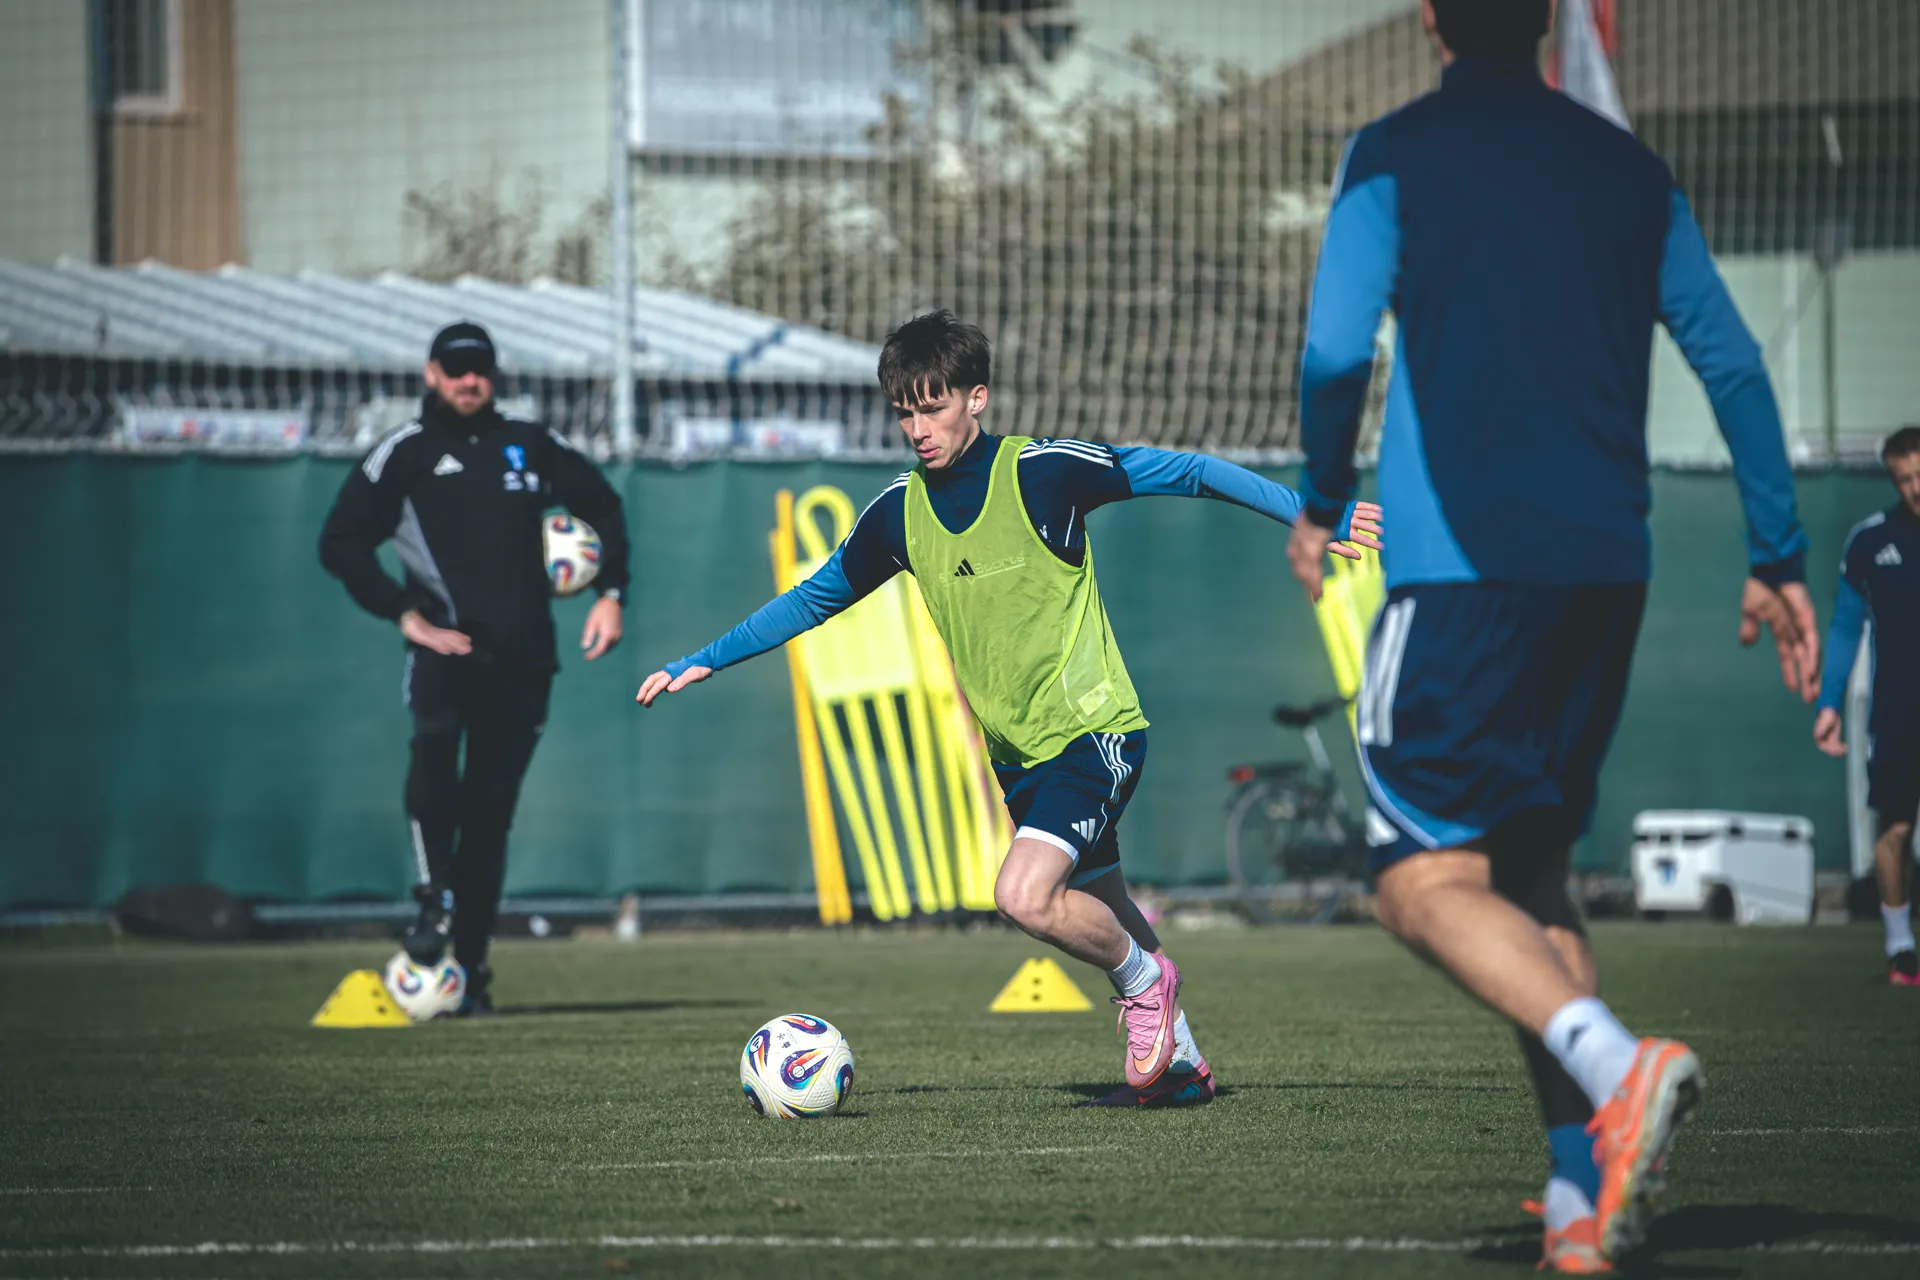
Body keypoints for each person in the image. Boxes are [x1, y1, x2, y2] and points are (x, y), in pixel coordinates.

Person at [1286, 0, 1818, 1269]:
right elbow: (1735, 363)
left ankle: (1619, 1067)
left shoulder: (1393, 152)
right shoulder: (1628, 167)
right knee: (1529, 880)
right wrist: (1778, 553)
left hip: (1463, 579)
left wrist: (1318, 498)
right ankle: (1582, 1200)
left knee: (1415, 880)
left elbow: (1333, 353)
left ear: (1429, 16)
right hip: (1605, 577)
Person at [638, 311, 1382, 1106]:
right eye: (904, 412)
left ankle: (1146, 985)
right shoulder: (898, 513)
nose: (917, 429)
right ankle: (1181, 1071)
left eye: (932, 408)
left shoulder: (1043, 472)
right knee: (1104, 903)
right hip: (1019, 757)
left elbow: (1190, 470)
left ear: (977, 397)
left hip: (1093, 731)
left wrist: (1312, 512)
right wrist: (705, 658)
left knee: (1023, 897)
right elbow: (813, 598)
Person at [319, 321, 631, 1014]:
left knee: (491, 816)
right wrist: (404, 612)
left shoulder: (528, 444)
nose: (470, 381)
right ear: (431, 373)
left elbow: (604, 506)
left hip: (524, 658)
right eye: (456, 369)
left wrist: (610, 594)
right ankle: (433, 902)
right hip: (444, 653)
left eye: (481, 370)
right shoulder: (405, 452)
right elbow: (339, 541)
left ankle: (471, 972)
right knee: (434, 763)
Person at [1814, 426, 1920, 985]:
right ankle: (1901, 949)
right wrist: (1829, 703)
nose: (1915, 487)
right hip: (1898, 713)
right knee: (1895, 829)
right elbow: (1844, 626)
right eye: (1904, 479)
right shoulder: (1870, 542)